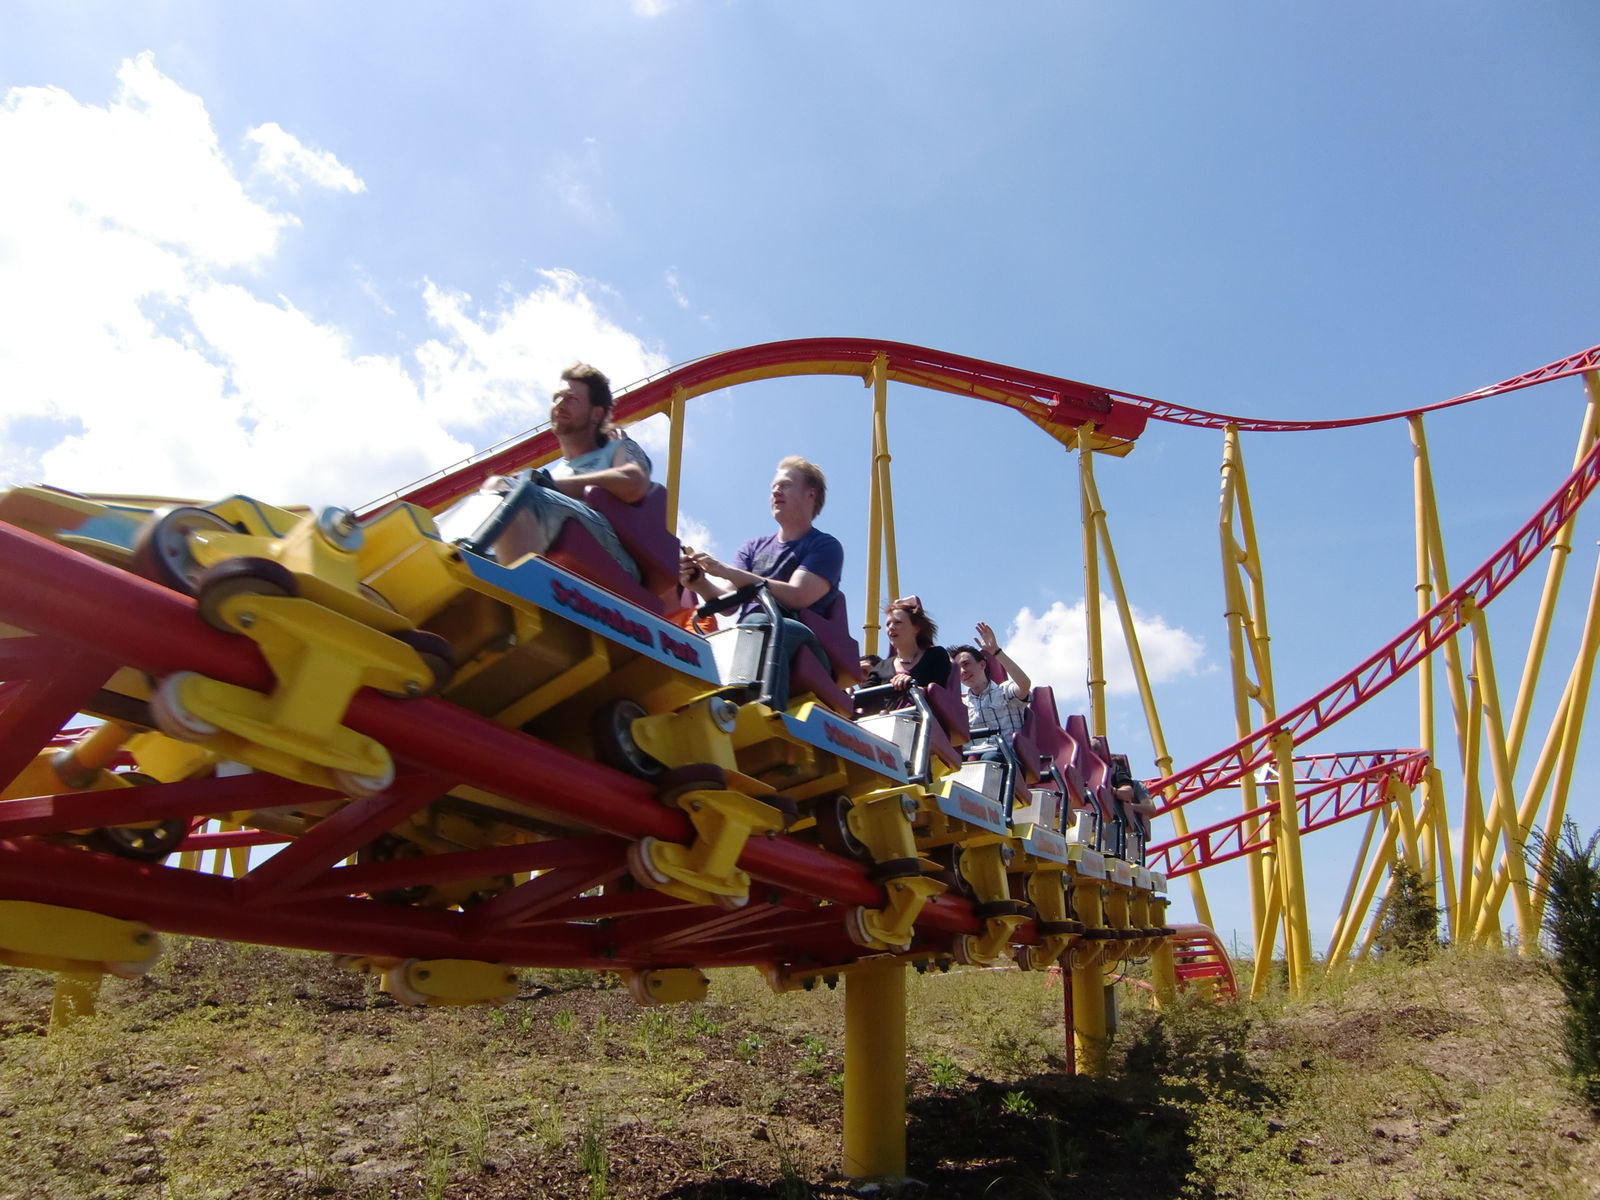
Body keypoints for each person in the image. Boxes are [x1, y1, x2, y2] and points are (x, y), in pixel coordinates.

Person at [680, 456, 841, 707]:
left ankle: (767, 713)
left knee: (761, 625)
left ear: (811, 494)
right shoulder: (752, 547)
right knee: (729, 637)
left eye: (785, 485)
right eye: (773, 487)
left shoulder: (825, 546)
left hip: (802, 639)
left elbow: (797, 595)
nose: (775, 491)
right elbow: (728, 604)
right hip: (752, 633)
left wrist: (727, 571)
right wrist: (700, 583)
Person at [488, 363, 651, 580]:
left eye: (572, 399)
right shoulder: (556, 473)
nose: (560, 404)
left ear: (596, 414)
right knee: (490, 498)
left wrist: (549, 484)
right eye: (557, 397)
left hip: (616, 557)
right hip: (562, 538)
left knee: (509, 491)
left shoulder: (618, 447)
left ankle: (522, 589)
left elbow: (634, 482)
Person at [951, 621, 1031, 739]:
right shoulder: (961, 705)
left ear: (982, 665)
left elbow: (1024, 685)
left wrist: (996, 651)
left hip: (1004, 749)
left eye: (966, 664)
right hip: (973, 751)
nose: (962, 671)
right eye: (957, 669)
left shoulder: (1005, 691)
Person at [862, 596, 951, 698]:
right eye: (888, 624)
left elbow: (943, 693)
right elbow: (861, 698)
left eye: (898, 622)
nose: (891, 627)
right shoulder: (881, 668)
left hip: (923, 708)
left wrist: (917, 688)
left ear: (916, 628)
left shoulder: (935, 656)